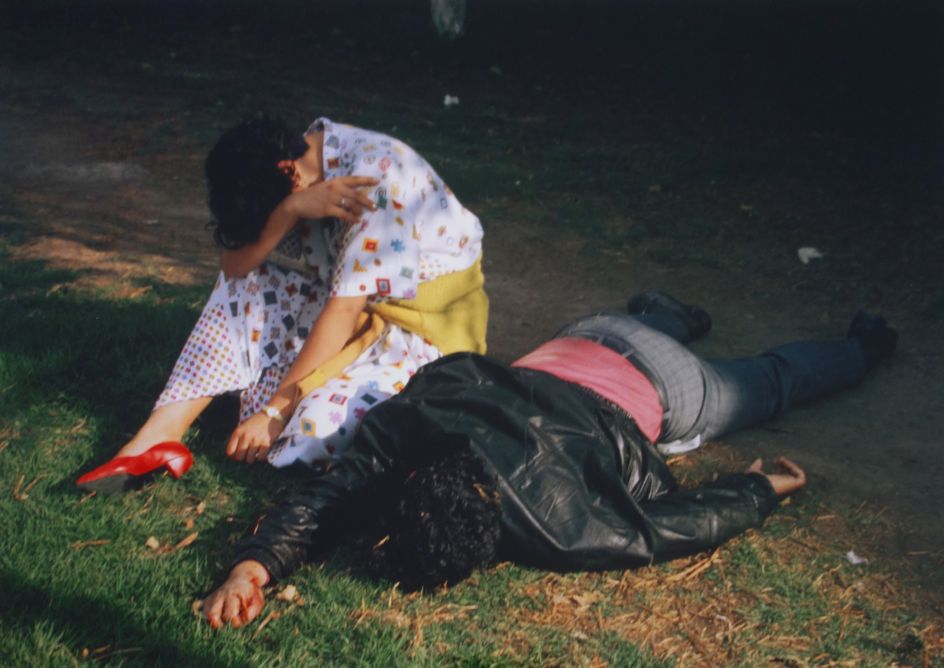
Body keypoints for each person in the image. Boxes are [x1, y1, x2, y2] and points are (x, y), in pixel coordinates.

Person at [200, 292, 897, 628]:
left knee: (770, 380)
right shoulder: (415, 421)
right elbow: (328, 496)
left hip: (668, 387)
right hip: (587, 336)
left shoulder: (559, 528)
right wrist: (250, 566)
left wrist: (762, 486)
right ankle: (668, 311)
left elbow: (669, 526)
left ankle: (866, 347)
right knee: (641, 330)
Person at [77, 115, 487, 493]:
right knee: (243, 284)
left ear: (286, 173)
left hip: (415, 332)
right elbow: (235, 266)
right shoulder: (308, 160)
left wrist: (273, 413)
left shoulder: (372, 187)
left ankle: (274, 407)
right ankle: (159, 434)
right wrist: (289, 210)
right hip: (349, 305)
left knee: (310, 435)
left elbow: (342, 313)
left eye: (279, 203)